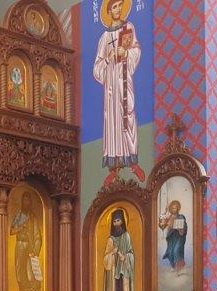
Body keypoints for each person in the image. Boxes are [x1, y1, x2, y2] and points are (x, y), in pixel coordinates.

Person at [92, 0, 145, 187]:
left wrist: (127, 52)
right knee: (113, 123)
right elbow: (96, 67)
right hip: (111, 87)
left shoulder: (129, 27)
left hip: (124, 80)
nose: (118, 9)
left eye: (120, 5)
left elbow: (136, 50)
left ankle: (133, 163)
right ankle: (114, 170)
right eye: (114, 7)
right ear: (108, 10)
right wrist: (107, 59)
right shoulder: (104, 37)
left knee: (127, 117)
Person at [10, 191, 43, 291]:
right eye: (24, 200)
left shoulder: (33, 218)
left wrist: (35, 251)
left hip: (30, 249)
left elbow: (38, 236)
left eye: (28, 200)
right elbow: (12, 231)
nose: (26, 203)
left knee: (32, 277)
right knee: (20, 276)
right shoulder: (19, 216)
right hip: (20, 246)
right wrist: (20, 227)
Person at [103, 207, 136, 291]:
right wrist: (113, 253)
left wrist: (125, 257)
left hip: (124, 273)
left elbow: (131, 254)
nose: (117, 223)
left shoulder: (126, 236)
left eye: (118, 220)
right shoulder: (110, 240)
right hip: (113, 275)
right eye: (114, 221)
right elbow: (105, 259)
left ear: (123, 221)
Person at [158, 199, 187, 275]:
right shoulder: (169, 217)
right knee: (170, 252)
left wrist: (178, 227)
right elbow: (162, 226)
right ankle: (173, 266)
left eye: (175, 208)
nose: (174, 209)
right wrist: (162, 221)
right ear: (171, 209)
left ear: (178, 209)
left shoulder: (181, 217)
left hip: (179, 237)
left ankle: (178, 269)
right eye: (173, 208)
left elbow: (183, 228)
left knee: (176, 251)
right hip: (171, 237)